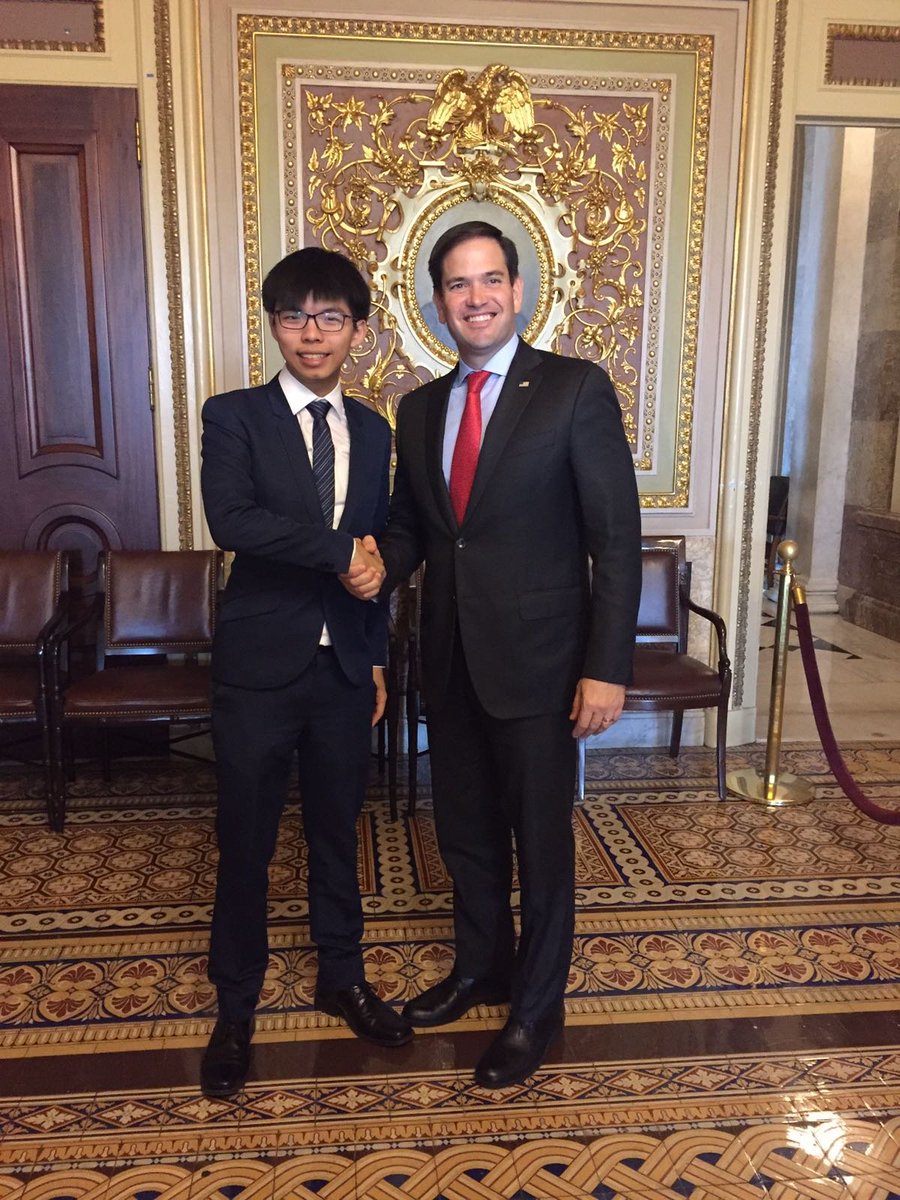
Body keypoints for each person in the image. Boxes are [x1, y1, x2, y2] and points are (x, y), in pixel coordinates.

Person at [346, 221, 642, 1088]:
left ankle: (535, 1010)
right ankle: (482, 969)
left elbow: (616, 541)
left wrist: (606, 666)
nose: (474, 298)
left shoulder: (575, 390)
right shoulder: (420, 408)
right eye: (457, 284)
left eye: (489, 280)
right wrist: (377, 564)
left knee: (541, 845)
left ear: (516, 290)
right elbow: (417, 528)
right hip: (450, 659)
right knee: (466, 834)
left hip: (545, 666)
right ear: (438, 304)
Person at [199, 247, 410, 1099]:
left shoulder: (375, 429)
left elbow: (383, 539)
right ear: (275, 325)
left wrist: (377, 650)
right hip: (259, 664)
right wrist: (339, 554)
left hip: (345, 666)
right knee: (246, 838)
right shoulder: (233, 416)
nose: (312, 334)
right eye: (295, 316)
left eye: (330, 318)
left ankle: (342, 976)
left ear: (358, 331)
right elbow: (232, 519)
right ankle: (235, 1005)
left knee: (336, 830)